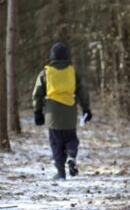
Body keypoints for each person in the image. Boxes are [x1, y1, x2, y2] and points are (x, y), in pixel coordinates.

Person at [32, 42, 92, 180]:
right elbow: (83, 91)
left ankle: (60, 172)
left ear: (52, 56)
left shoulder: (46, 73)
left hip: (52, 113)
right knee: (71, 138)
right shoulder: (72, 72)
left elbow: (37, 93)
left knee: (56, 143)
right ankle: (71, 155)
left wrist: (37, 111)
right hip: (69, 111)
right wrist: (86, 109)